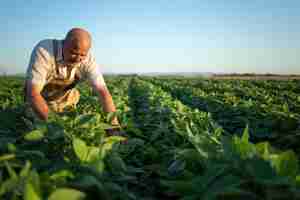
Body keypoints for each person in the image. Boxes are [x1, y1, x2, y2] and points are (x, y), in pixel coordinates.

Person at [24, 28, 119, 126]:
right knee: (39, 128)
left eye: (82, 55)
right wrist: (55, 125)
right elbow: (33, 93)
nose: (78, 59)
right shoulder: (45, 50)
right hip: (38, 101)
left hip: (65, 101)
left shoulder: (88, 60)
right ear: (63, 44)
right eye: (74, 53)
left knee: (75, 125)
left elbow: (103, 92)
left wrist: (114, 126)